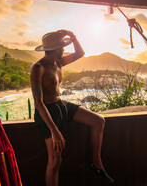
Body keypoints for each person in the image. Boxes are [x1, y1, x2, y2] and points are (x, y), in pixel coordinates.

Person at [30, 30, 114, 186]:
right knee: (55, 160)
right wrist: (54, 131)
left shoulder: (59, 62)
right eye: (62, 46)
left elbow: (80, 52)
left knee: (98, 121)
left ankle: (96, 163)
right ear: (56, 48)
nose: (64, 49)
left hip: (61, 105)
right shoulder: (38, 68)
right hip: (47, 111)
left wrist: (74, 37)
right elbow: (38, 102)